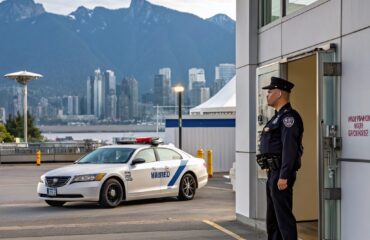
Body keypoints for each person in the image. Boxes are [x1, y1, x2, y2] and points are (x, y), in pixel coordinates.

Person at [258, 76, 304, 240]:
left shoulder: (288, 118)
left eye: (270, 91)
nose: (267, 95)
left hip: (280, 175)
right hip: (273, 173)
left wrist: (284, 175)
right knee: (273, 219)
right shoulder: (277, 117)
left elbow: (289, 149)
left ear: (279, 94)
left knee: (283, 219)